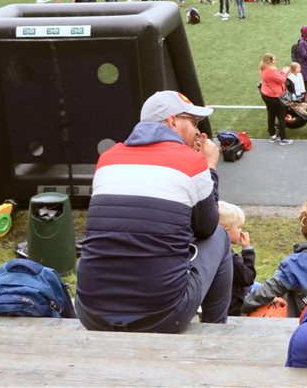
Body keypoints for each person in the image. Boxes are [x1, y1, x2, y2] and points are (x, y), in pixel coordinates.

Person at [75, 91, 233, 334]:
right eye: (193, 123)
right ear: (172, 122)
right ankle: (216, 332)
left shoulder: (107, 160)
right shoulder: (192, 162)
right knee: (220, 236)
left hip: (91, 312)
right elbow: (206, 227)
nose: (198, 132)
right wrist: (210, 166)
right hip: (163, 315)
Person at [218, 201, 256, 317]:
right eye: (238, 227)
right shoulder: (228, 256)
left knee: (259, 286)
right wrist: (247, 250)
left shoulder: (217, 249)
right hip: (233, 305)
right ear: (226, 230)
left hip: (226, 297)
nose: (240, 230)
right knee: (266, 293)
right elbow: (248, 277)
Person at [258, 53, 292, 145]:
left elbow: (276, 77)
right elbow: (281, 80)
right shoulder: (270, 71)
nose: (275, 61)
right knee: (281, 117)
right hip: (274, 97)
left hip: (266, 95)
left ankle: (272, 135)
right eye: (274, 60)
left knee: (271, 114)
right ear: (270, 61)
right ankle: (283, 139)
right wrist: (284, 72)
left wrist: (281, 71)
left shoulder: (263, 68)